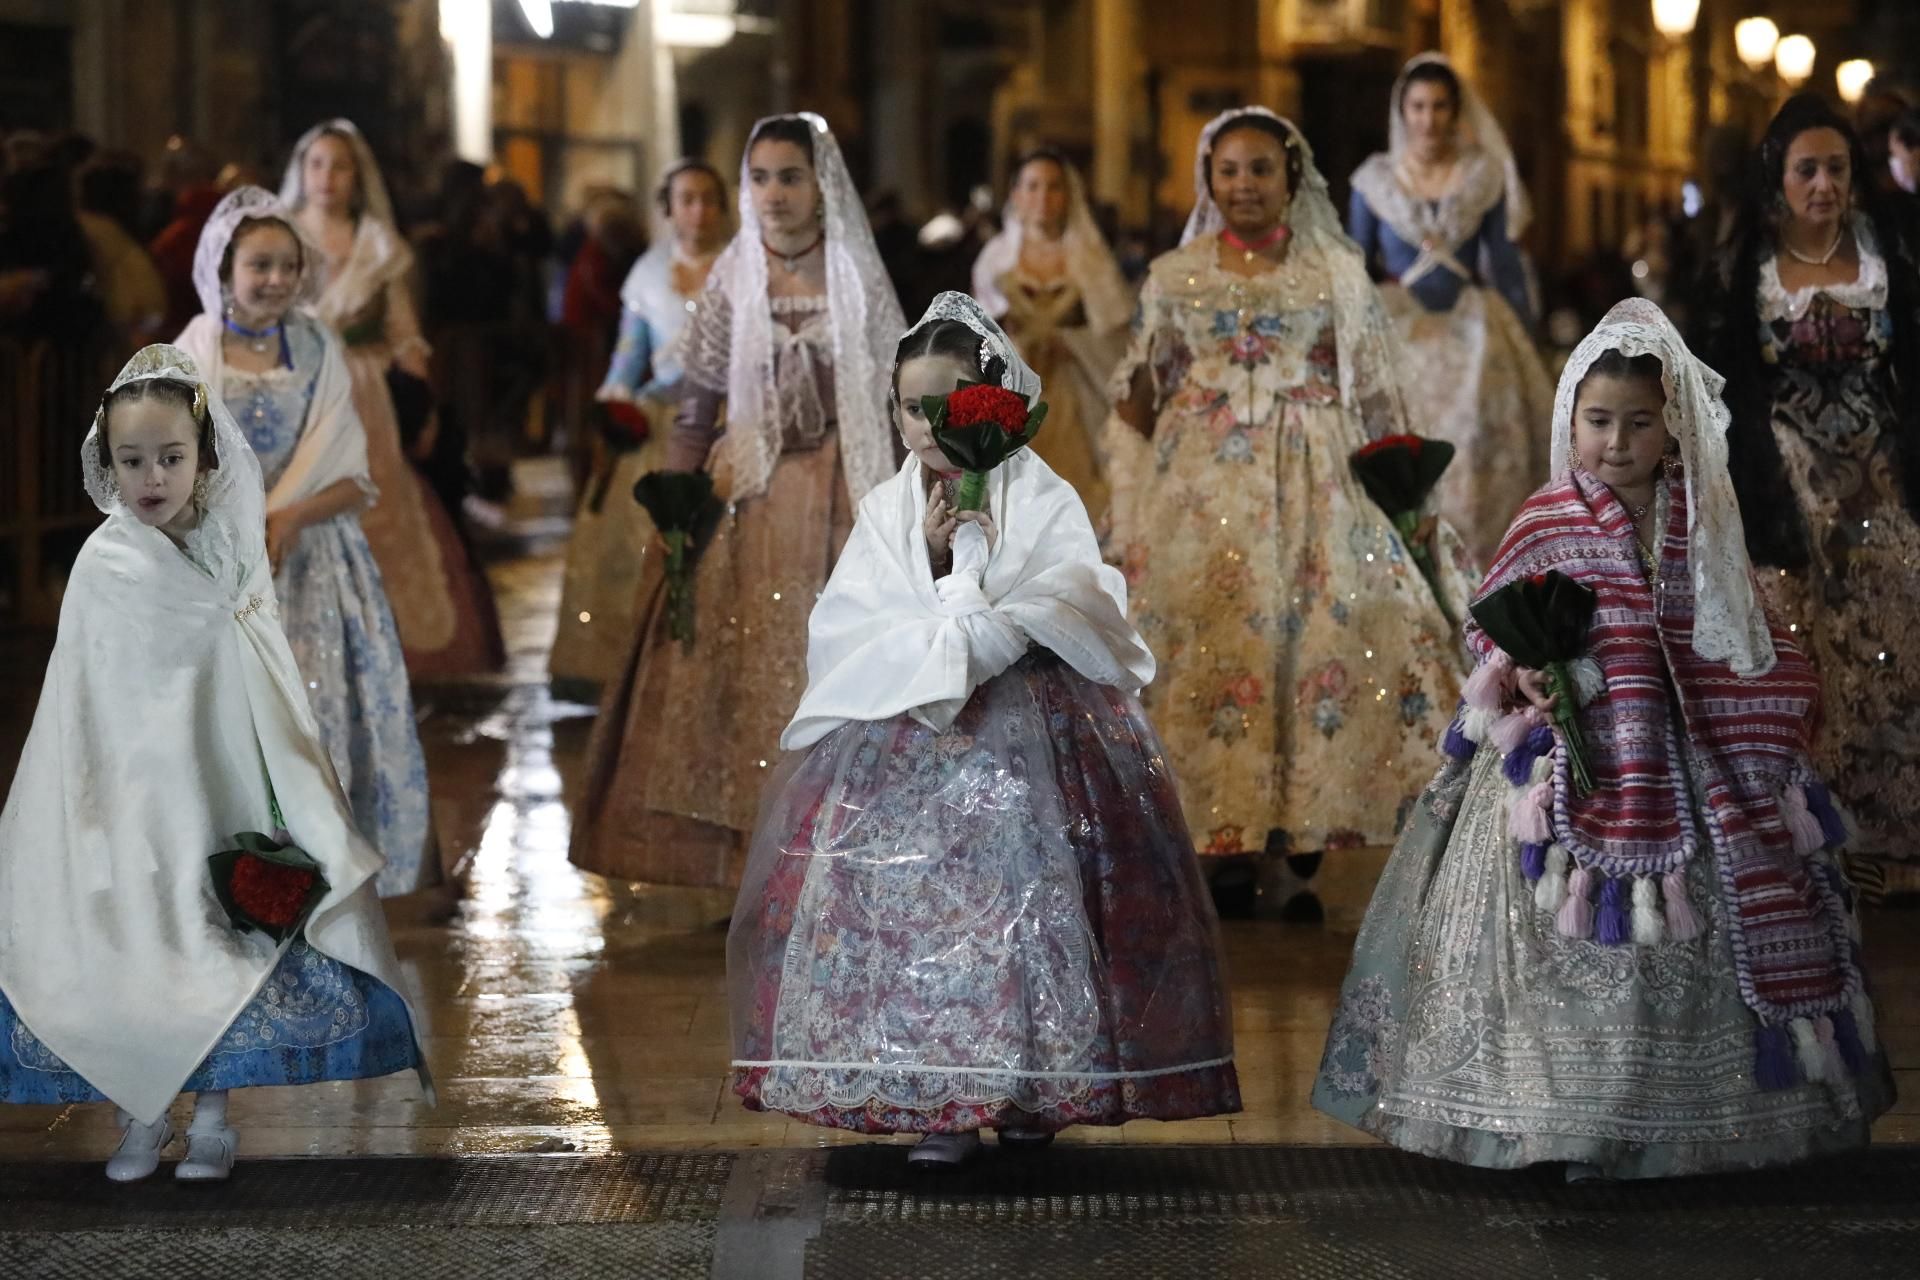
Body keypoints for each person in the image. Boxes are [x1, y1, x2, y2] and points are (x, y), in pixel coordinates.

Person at [1313, 298, 1893, 1178]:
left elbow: (1743, 634)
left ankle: (1696, 1119)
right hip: (1570, 759)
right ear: (1570, 421)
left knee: (1714, 918)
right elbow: (1490, 626)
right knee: (1556, 939)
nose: (1616, 443)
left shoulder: (1704, 525)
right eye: (1598, 422)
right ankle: (1549, 1113)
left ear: (1674, 427)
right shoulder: (1548, 518)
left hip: (1695, 758)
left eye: (1639, 423)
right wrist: (1524, 668)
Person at [729, 294, 1239, 1167]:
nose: (926, 426)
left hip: (1030, 730)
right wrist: (932, 561)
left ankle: (1037, 1084)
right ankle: (940, 1092)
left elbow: (1076, 590)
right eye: (909, 407)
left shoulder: (1037, 491)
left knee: (1033, 907)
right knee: (914, 911)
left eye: (947, 405)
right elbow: (857, 614)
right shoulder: (889, 506)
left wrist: (994, 602)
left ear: (989, 402)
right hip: (909, 744)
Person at [0, 345, 429, 1183]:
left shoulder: (230, 556)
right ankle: (141, 1112)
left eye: (171, 457)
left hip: (215, 786)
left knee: (218, 941)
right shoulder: (102, 564)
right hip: (127, 796)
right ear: (106, 464)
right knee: (137, 945)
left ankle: (215, 1121)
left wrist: (282, 791)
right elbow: (77, 694)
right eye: (133, 462)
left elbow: (255, 670)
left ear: (204, 457)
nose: (152, 477)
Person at [1105, 107, 1471, 919]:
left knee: (1322, 637)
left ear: (1291, 179)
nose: (1244, 185)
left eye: (1260, 169)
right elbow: (1137, 391)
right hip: (1199, 497)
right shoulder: (1172, 274)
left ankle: (1303, 825)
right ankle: (1223, 835)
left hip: (1318, 484)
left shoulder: (1336, 271)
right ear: (1208, 179)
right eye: (1229, 170)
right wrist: (1130, 502)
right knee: (1210, 647)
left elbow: (1376, 392)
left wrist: (1406, 498)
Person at [570, 114, 906, 890]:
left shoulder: (854, 274)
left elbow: (895, 403)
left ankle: (839, 854)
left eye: (790, 177)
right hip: (746, 496)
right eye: (760, 178)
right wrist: (678, 507)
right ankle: (751, 862)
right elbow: (696, 407)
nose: (775, 194)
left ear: (822, 186)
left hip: (840, 493)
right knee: (731, 685)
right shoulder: (733, 276)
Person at [177, 186, 435, 898]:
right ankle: (230, 872)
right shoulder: (192, 351)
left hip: (314, 558)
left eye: (289, 266)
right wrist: (234, 526)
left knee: (313, 712)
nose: (277, 280)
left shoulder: (317, 346)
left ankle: (317, 870)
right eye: (261, 265)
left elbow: (354, 475)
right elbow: (171, 463)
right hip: (219, 564)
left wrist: (288, 518)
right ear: (224, 269)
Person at [1694, 95, 1920, 902]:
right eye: (1808, 170)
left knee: (1893, 647)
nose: (1825, 185)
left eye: (1837, 169)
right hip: (1784, 486)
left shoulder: (1886, 248)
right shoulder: (1742, 265)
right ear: (1778, 179)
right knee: (1801, 657)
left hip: (1882, 480)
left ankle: (1892, 837)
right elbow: (1714, 386)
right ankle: (1811, 838)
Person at [281, 119, 505, 681]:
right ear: (302, 173)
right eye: (317, 165)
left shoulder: (378, 247)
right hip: (294, 393)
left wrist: (421, 401)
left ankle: (372, 647)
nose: (327, 178)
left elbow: (403, 333)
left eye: (340, 166)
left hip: (366, 400)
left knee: (373, 513)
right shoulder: (278, 236)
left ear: (357, 177)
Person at [1348, 52, 1555, 562]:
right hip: (1398, 323)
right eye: (1418, 107)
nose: (1428, 119)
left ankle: (1478, 556)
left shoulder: (1481, 176)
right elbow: (1354, 261)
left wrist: (1529, 333)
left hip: (1471, 322)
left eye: (1439, 106)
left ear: (1455, 111)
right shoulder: (1374, 181)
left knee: (1476, 437)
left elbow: (1503, 262)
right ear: (1403, 112)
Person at [550, 160, 731, 695]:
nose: (697, 209)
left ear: (721, 207)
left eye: (707, 198)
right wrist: (615, 402)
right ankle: (642, 664)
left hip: (727, 420)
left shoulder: (742, 268)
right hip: (662, 422)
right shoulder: (648, 274)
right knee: (640, 542)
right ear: (669, 209)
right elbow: (630, 355)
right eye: (686, 199)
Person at [972, 148, 1133, 523]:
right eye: (1032, 186)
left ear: (1069, 195)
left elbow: (1116, 339)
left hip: (1075, 395)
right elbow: (977, 338)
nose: (1042, 198)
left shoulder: (1089, 259)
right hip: (1012, 396)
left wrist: (1073, 343)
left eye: (1053, 187)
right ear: (1016, 195)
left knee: (1072, 495)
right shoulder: (996, 258)